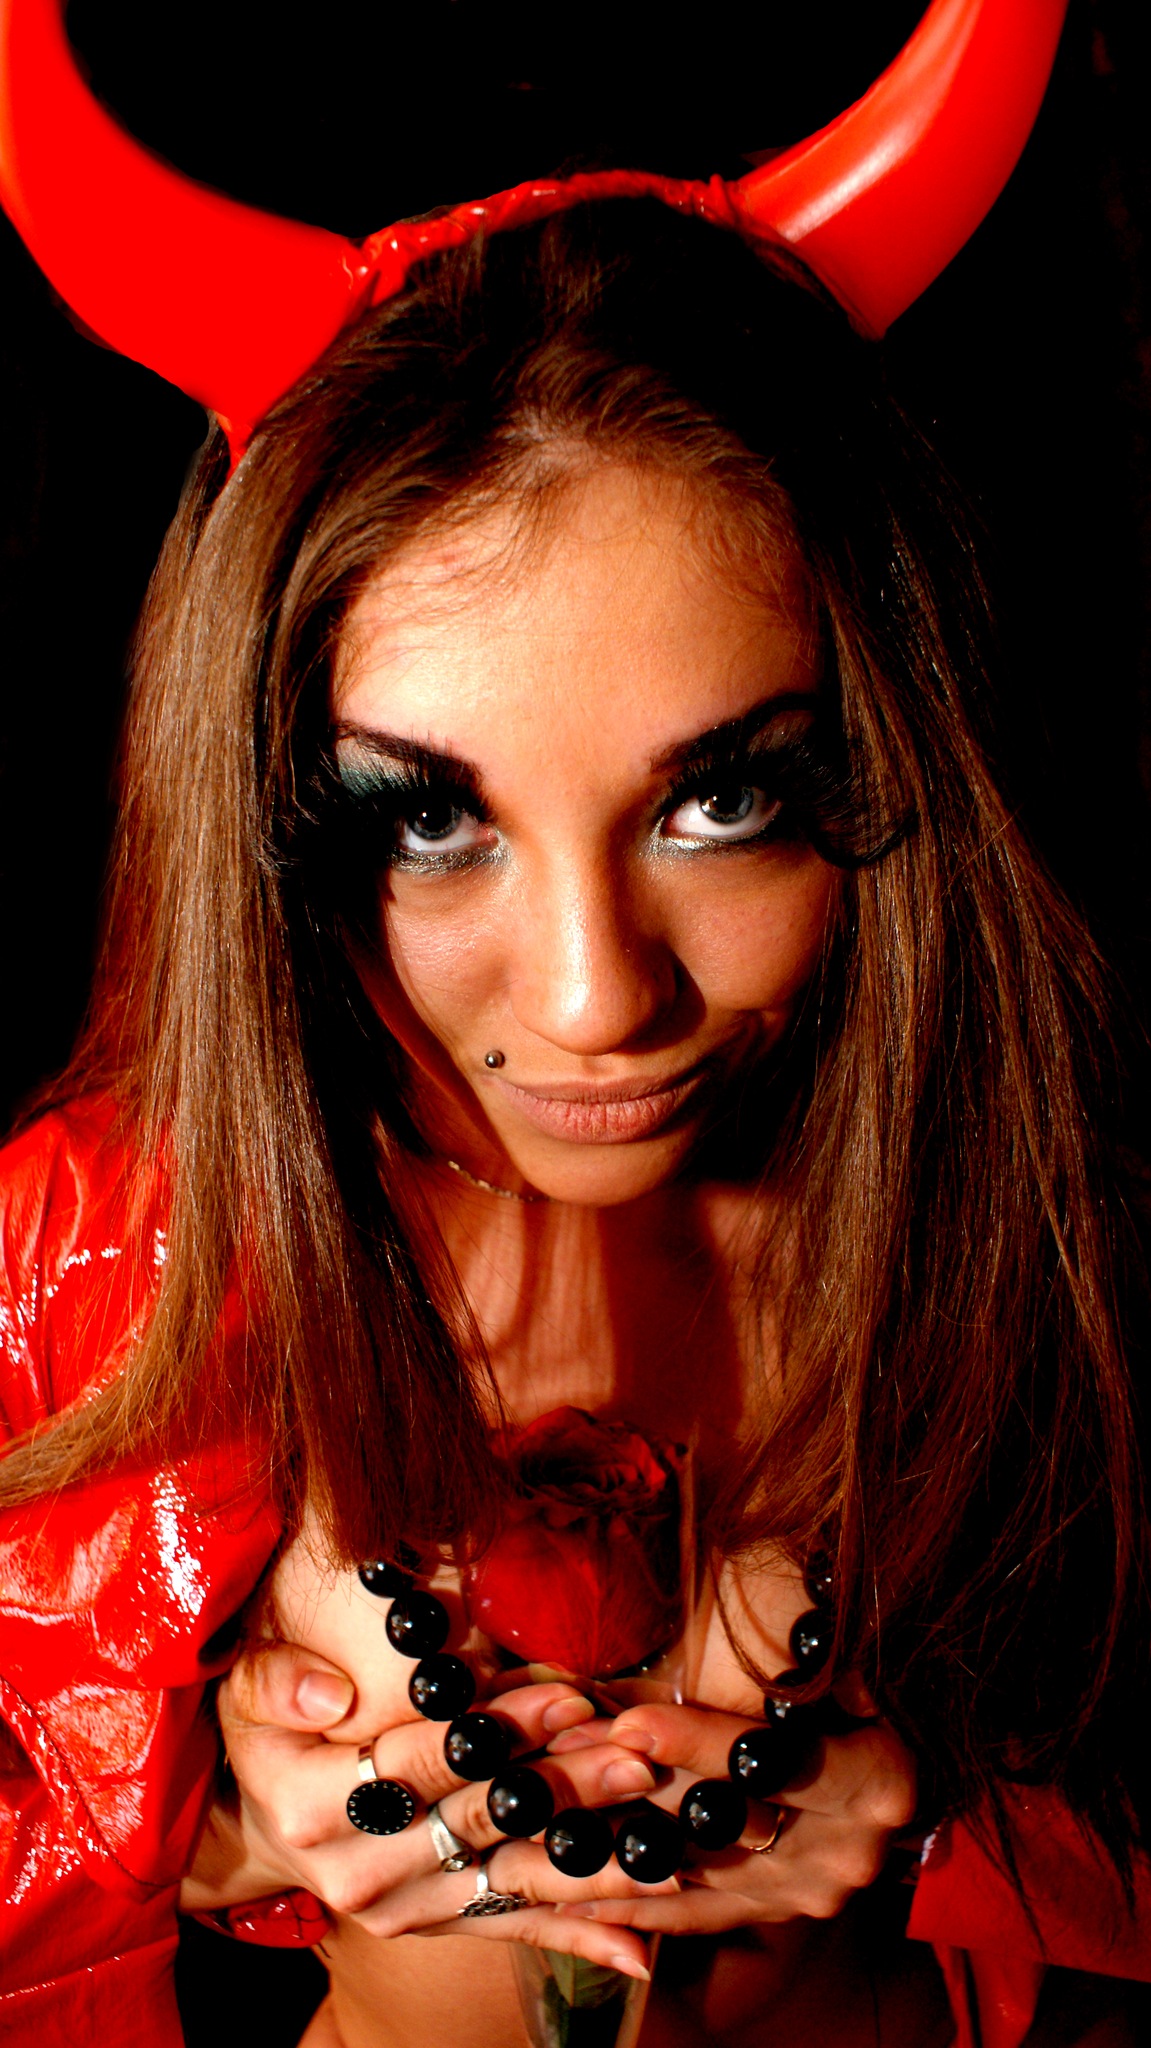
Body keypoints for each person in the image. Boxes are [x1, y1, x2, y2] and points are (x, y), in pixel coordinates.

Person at [2, 2, 1150, 2046]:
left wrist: (938, 1818)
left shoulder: (1070, 1235)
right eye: (430, 822)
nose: (596, 997)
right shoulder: (79, 1263)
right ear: (264, 811)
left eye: (725, 802)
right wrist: (202, 1835)